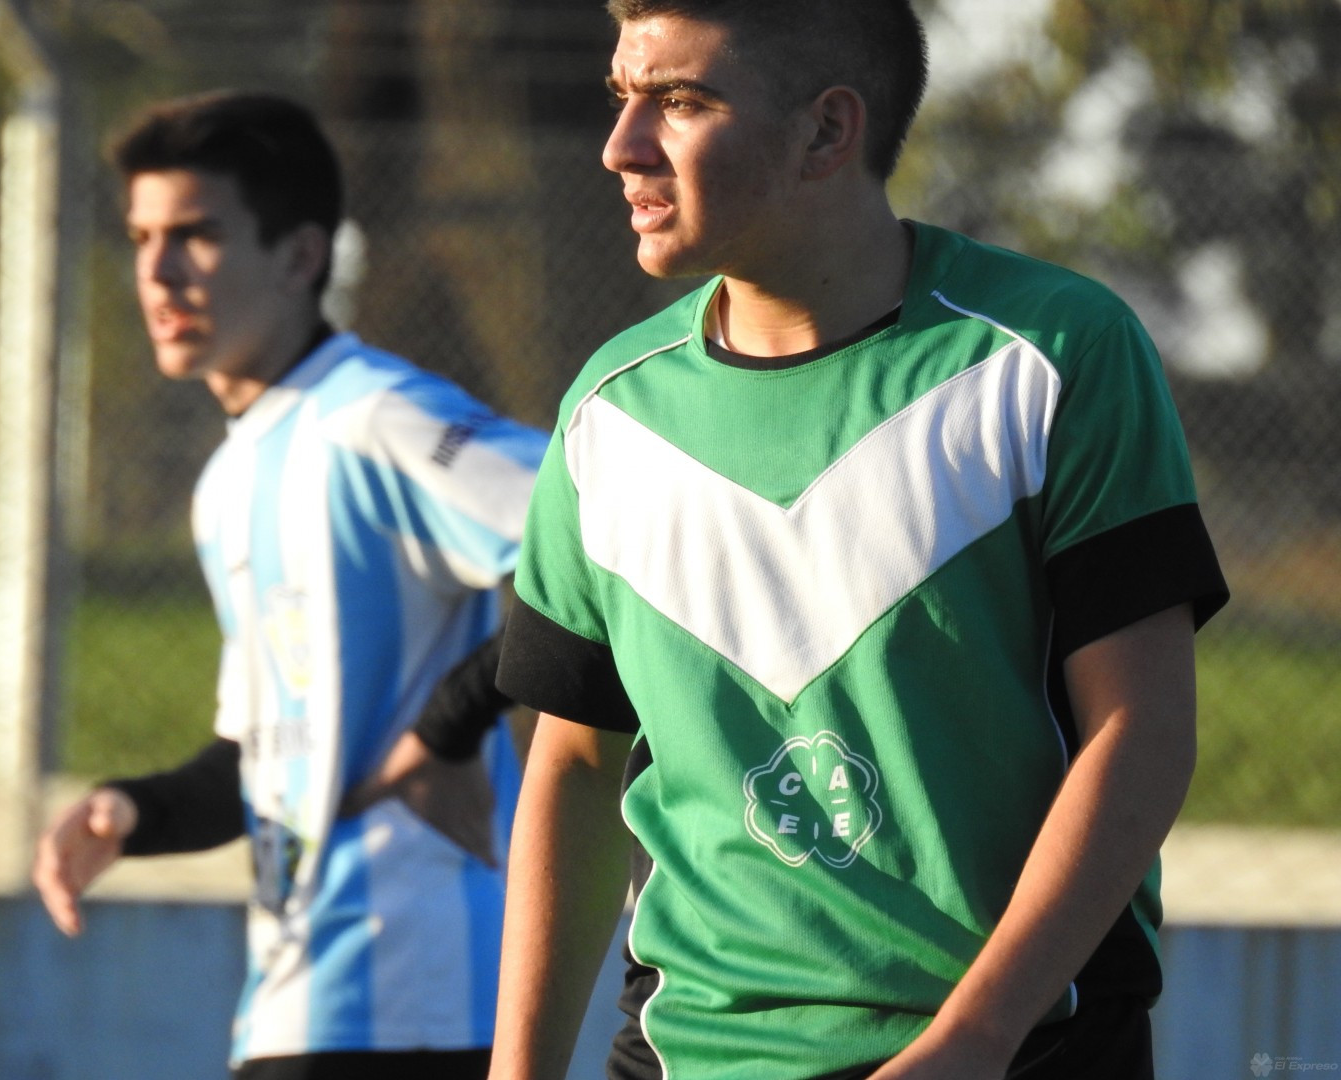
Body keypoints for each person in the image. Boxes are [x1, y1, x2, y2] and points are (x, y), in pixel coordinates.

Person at [489, 3, 1229, 1079]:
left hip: (1018, 1051)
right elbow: (573, 765)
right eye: (621, 99)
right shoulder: (610, 410)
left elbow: (1143, 732)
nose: (621, 147)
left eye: (680, 101)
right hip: (685, 1055)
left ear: (828, 131)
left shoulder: (1053, 353)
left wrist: (973, 1041)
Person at [31, 90, 548, 1080]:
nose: (157, 272)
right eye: (141, 237)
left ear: (303, 255)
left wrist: (448, 728)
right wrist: (133, 811)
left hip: (417, 998)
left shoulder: (375, 417)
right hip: (295, 998)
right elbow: (266, 757)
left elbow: (608, 543)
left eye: (196, 235)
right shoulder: (229, 478)